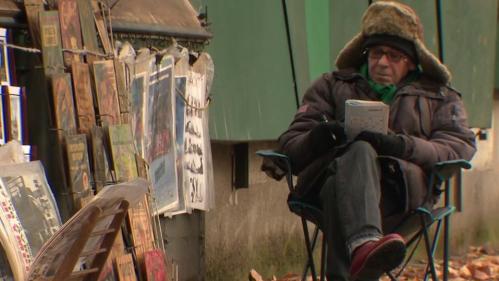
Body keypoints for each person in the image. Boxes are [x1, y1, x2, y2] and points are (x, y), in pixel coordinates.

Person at [277, 1, 476, 280]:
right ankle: (365, 245)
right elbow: (290, 146)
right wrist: (320, 137)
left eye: (394, 56)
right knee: (354, 157)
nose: (382, 62)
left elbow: (458, 147)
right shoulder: (331, 86)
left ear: (411, 62)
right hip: (324, 188)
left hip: (400, 197)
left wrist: (401, 145)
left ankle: (360, 251)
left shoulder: (439, 97)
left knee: (342, 183)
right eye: (377, 53)